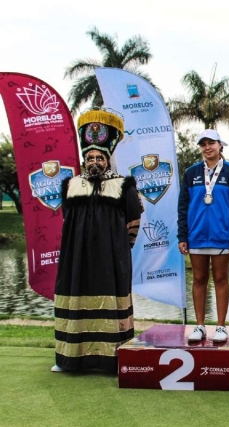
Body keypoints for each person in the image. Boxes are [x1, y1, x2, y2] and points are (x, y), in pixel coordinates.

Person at [52, 108, 142, 373]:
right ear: (84, 158)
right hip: (76, 257)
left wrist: (121, 251)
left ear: (107, 159)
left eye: (99, 157)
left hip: (111, 255)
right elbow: (68, 219)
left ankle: (111, 359)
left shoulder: (124, 184)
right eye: (89, 157)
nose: (94, 162)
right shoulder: (70, 184)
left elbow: (133, 221)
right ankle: (70, 358)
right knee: (75, 296)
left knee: (111, 299)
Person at [178, 129, 229, 343]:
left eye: (211, 143)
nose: (207, 147)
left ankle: (221, 326)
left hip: (221, 235)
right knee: (199, 279)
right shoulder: (191, 173)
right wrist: (182, 236)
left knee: (220, 279)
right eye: (203, 144)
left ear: (220, 146)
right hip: (196, 234)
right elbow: (182, 206)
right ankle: (199, 326)